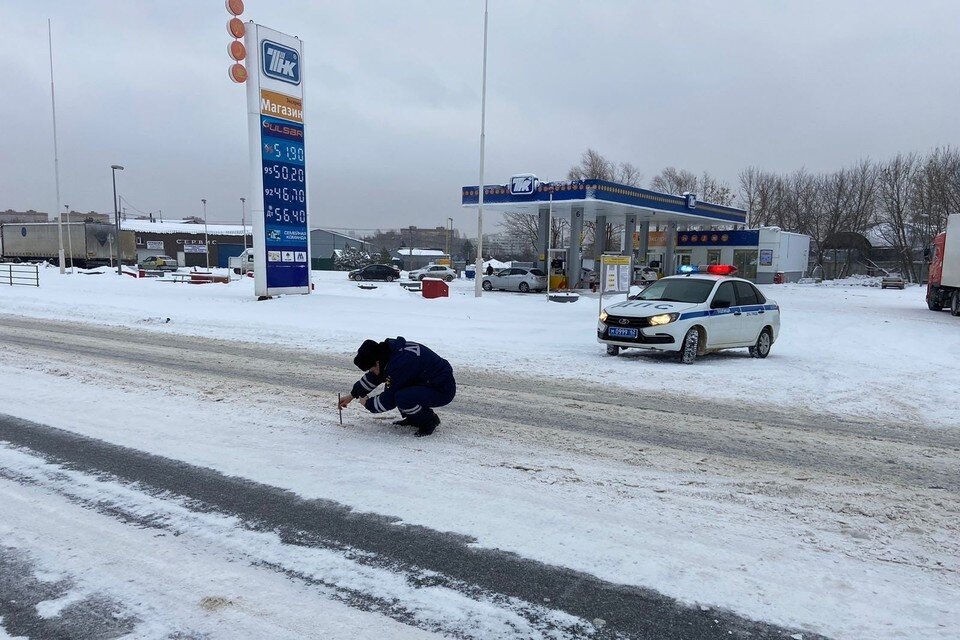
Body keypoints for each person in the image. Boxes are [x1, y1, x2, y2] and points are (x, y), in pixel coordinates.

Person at [339, 337, 456, 437]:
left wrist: (368, 404)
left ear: (377, 362)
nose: (372, 372)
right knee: (400, 389)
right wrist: (352, 395)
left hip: (442, 389)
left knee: (401, 396)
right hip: (427, 382)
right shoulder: (388, 353)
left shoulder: (399, 363)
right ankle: (414, 418)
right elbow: (375, 377)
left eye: (372, 369)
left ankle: (429, 421)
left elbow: (389, 400)